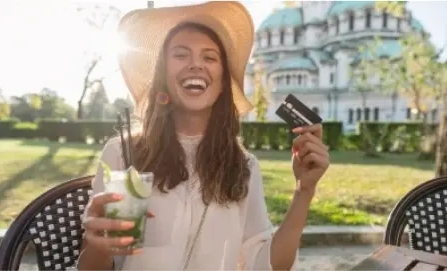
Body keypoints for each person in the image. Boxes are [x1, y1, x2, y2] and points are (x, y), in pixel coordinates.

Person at [77, 2, 330, 270]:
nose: (196, 65)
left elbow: (266, 266)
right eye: (181, 55)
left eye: (209, 57)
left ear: (223, 82)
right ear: (162, 74)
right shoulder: (122, 153)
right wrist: (97, 245)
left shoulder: (243, 165)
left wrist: (305, 190)